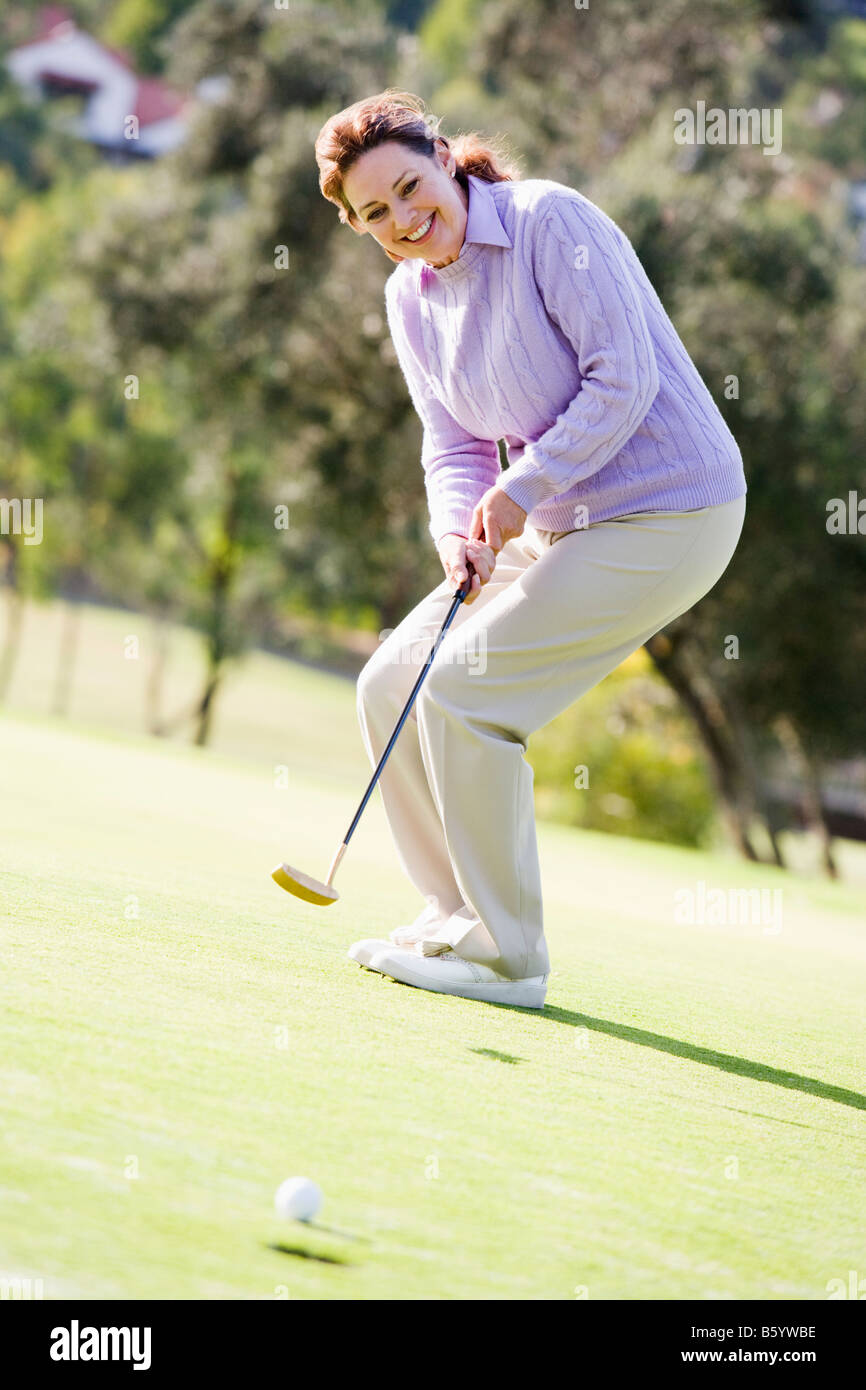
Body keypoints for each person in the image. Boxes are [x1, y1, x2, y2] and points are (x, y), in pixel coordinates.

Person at [313, 89, 747, 1009]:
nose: (403, 219)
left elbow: (621, 379)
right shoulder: (409, 296)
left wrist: (519, 491)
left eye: (409, 186)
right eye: (375, 214)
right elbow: (452, 442)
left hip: (673, 510)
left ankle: (511, 959)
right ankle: (454, 918)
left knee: (465, 691)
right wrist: (455, 531)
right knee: (390, 682)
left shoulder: (552, 221)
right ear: (358, 226)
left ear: (441, 155)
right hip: (558, 517)